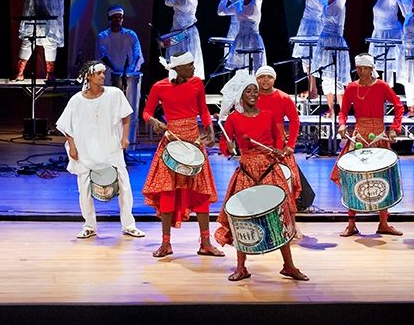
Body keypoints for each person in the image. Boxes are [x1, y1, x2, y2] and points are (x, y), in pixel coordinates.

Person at [214, 72, 308, 282]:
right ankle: (241, 267)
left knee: (280, 217)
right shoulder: (233, 119)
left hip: (269, 170)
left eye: (255, 90)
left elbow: (277, 142)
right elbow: (224, 147)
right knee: (241, 220)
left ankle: (289, 266)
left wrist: (279, 151)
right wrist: (228, 148)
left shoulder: (268, 115)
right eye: (249, 91)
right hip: (246, 172)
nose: (254, 94)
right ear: (241, 95)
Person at [140, 52, 222, 258]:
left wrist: (210, 130)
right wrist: (153, 121)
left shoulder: (196, 83)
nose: (194, 68)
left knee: (201, 191)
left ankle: (205, 242)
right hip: (171, 142)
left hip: (194, 141)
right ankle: (165, 243)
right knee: (167, 191)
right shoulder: (160, 86)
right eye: (190, 65)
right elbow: (146, 112)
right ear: (178, 68)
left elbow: (203, 110)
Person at [55, 60, 145, 240]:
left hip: (110, 148)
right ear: (89, 76)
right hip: (85, 150)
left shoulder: (114, 94)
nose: (103, 76)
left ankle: (129, 225)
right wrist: (72, 146)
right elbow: (66, 126)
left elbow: (126, 115)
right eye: (99, 73)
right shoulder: (77, 100)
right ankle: (89, 226)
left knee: (124, 186)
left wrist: (125, 137)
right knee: (84, 189)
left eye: (104, 73)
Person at [332, 54, 404, 237]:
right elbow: (343, 112)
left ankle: (384, 223)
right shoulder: (351, 87)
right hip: (359, 136)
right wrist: (341, 124)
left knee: (382, 178)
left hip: (379, 135)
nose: (361, 71)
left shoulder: (381, 86)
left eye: (364, 68)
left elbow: (398, 106)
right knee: (350, 177)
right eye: (358, 68)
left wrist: (394, 128)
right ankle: (351, 224)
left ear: (372, 69)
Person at [254, 65, 303, 207]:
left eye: (269, 77)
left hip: (278, 144)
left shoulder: (283, 97)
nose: (265, 80)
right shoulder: (251, 97)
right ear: (256, 79)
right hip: (257, 143)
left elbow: (294, 121)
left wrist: (291, 145)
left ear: (274, 80)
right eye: (262, 77)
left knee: (287, 180)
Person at [96, 4, 144, 144]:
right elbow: (103, 55)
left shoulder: (130, 34)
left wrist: (130, 70)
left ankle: (127, 142)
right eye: (114, 17)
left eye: (120, 17)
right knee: (109, 111)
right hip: (110, 76)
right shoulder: (103, 36)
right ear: (109, 19)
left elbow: (137, 53)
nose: (118, 20)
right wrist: (116, 70)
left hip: (128, 77)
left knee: (127, 111)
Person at [312, 0, 351, 113]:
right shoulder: (324, 4)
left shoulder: (339, 2)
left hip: (336, 43)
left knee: (337, 77)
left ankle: (342, 112)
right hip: (323, 42)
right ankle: (331, 109)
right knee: (326, 77)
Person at [293, 0, 326, 98]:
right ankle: (312, 89)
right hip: (306, 25)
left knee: (312, 58)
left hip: (315, 27)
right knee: (306, 59)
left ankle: (314, 89)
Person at [219, 0, 266, 72]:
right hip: (240, 39)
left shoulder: (256, 3)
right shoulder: (237, 5)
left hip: (254, 39)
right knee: (240, 68)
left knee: (256, 67)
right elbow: (221, 11)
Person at [164, 0, 204, 79]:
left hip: (188, 33)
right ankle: (176, 85)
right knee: (176, 61)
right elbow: (167, 2)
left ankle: (190, 86)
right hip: (177, 33)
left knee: (188, 61)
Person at [369, 0, 402, 84]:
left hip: (390, 35)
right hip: (378, 34)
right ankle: (380, 88)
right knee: (379, 63)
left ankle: (386, 90)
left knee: (388, 64)